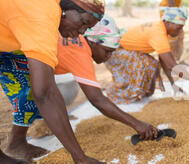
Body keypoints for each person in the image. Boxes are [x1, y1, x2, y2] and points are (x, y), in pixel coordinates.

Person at [0, 0, 110, 164]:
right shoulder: (43, 17)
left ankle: (14, 145)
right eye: (84, 23)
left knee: (28, 84)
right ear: (69, 9)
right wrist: (80, 157)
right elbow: (46, 94)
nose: (80, 32)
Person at [6, 15, 160, 156]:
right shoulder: (79, 50)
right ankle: (16, 143)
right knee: (33, 96)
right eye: (106, 51)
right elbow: (97, 99)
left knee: (40, 95)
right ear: (93, 42)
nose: (108, 57)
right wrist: (138, 124)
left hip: (24, 51)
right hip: (14, 52)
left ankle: (24, 137)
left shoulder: (81, 43)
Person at [104, 7, 189, 104]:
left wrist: (173, 85)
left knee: (152, 63)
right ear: (167, 22)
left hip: (123, 51)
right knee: (142, 63)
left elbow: (165, 62)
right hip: (112, 53)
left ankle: (141, 92)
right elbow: (172, 65)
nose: (180, 30)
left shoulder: (162, 30)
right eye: (179, 27)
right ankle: (120, 93)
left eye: (182, 27)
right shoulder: (158, 33)